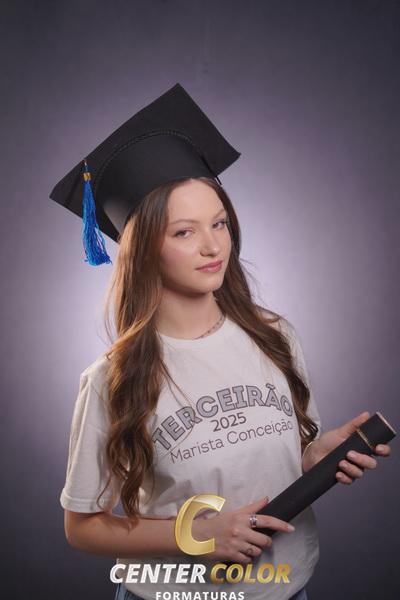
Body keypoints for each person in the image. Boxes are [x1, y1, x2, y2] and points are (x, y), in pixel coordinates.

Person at [50, 84, 391, 600]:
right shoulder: (113, 380)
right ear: (143, 250)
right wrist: (195, 537)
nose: (213, 246)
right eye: (183, 232)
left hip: (284, 588)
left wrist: (315, 458)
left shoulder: (274, 337)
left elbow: (270, 464)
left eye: (220, 223)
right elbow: (82, 528)